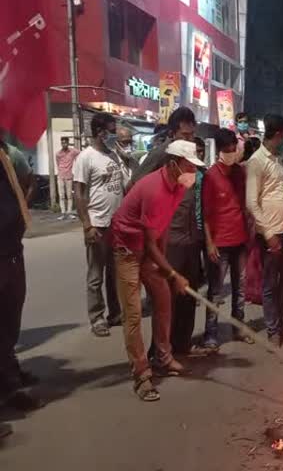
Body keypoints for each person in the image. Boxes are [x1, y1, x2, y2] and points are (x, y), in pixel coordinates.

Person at [111, 140, 204, 401]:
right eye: (188, 166)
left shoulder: (177, 188)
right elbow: (150, 242)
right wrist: (173, 274)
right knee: (133, 313)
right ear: (173, 164)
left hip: (147, 247)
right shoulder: (154, 189)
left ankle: (163, 358)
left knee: (164, 298)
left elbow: (161, 230)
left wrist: (164, 268)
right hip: (127, 248)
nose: (192, 172)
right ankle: (142, 374)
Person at [132, 108, 203, 356]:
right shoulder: (161, 154)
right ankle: (160, 353)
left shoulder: (191, 156)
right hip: (168, 239)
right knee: (167, 301)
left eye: (192, 135)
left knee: (187, 298)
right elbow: (135, 186)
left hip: (190, 237)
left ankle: (182, 346)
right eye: (185, 134)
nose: (189, 139)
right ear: (172, 134)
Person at [72, 113, 125, 337]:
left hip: (117, 225)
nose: (115, 135)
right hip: (98, 224)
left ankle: (116, 313)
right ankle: (97, 317)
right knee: (96, 275)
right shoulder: (86, 157)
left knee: (115, 274)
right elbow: (79, 193)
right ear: (100, 132)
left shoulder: (114, 154)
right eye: (112, 131)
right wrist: (87, 225)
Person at [246, 114, 283, 347]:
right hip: (271, 233)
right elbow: (252, 203)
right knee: (270, 284)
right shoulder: (257, 161)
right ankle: (273, 330)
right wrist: (268, 235)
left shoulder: (276, 159)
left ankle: (279, 323)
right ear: (279, 133)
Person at [0, 135, 41, 413]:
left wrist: (21, 213)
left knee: (9, 321)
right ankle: (8, 389)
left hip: (11, 251)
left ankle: (9, 374)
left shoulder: (7, 154)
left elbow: (28, 182)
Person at [201, 129, 253, 350]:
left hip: (240, 240)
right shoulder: (211, 176)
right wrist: (210, 243)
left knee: (240, 288)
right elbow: (205, 214)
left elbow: (244, 205)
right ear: (220, 151)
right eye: (228, 150)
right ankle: (210, 333)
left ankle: (238, 327)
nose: (231, 153)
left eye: (234, 149)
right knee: (215, 290)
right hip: (220, 243)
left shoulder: (239, 173)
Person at [55, 136, 80, 220]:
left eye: (65, 142)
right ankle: (63, 213)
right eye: (62, 143)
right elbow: (58, 164)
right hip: (60, 176)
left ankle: (69, 213)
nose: (64, 144)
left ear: (68, 143)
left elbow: (80, 153)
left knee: (69, 195)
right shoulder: (58, 154)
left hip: (69, 176)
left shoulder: (72, 151)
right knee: (61, 195)